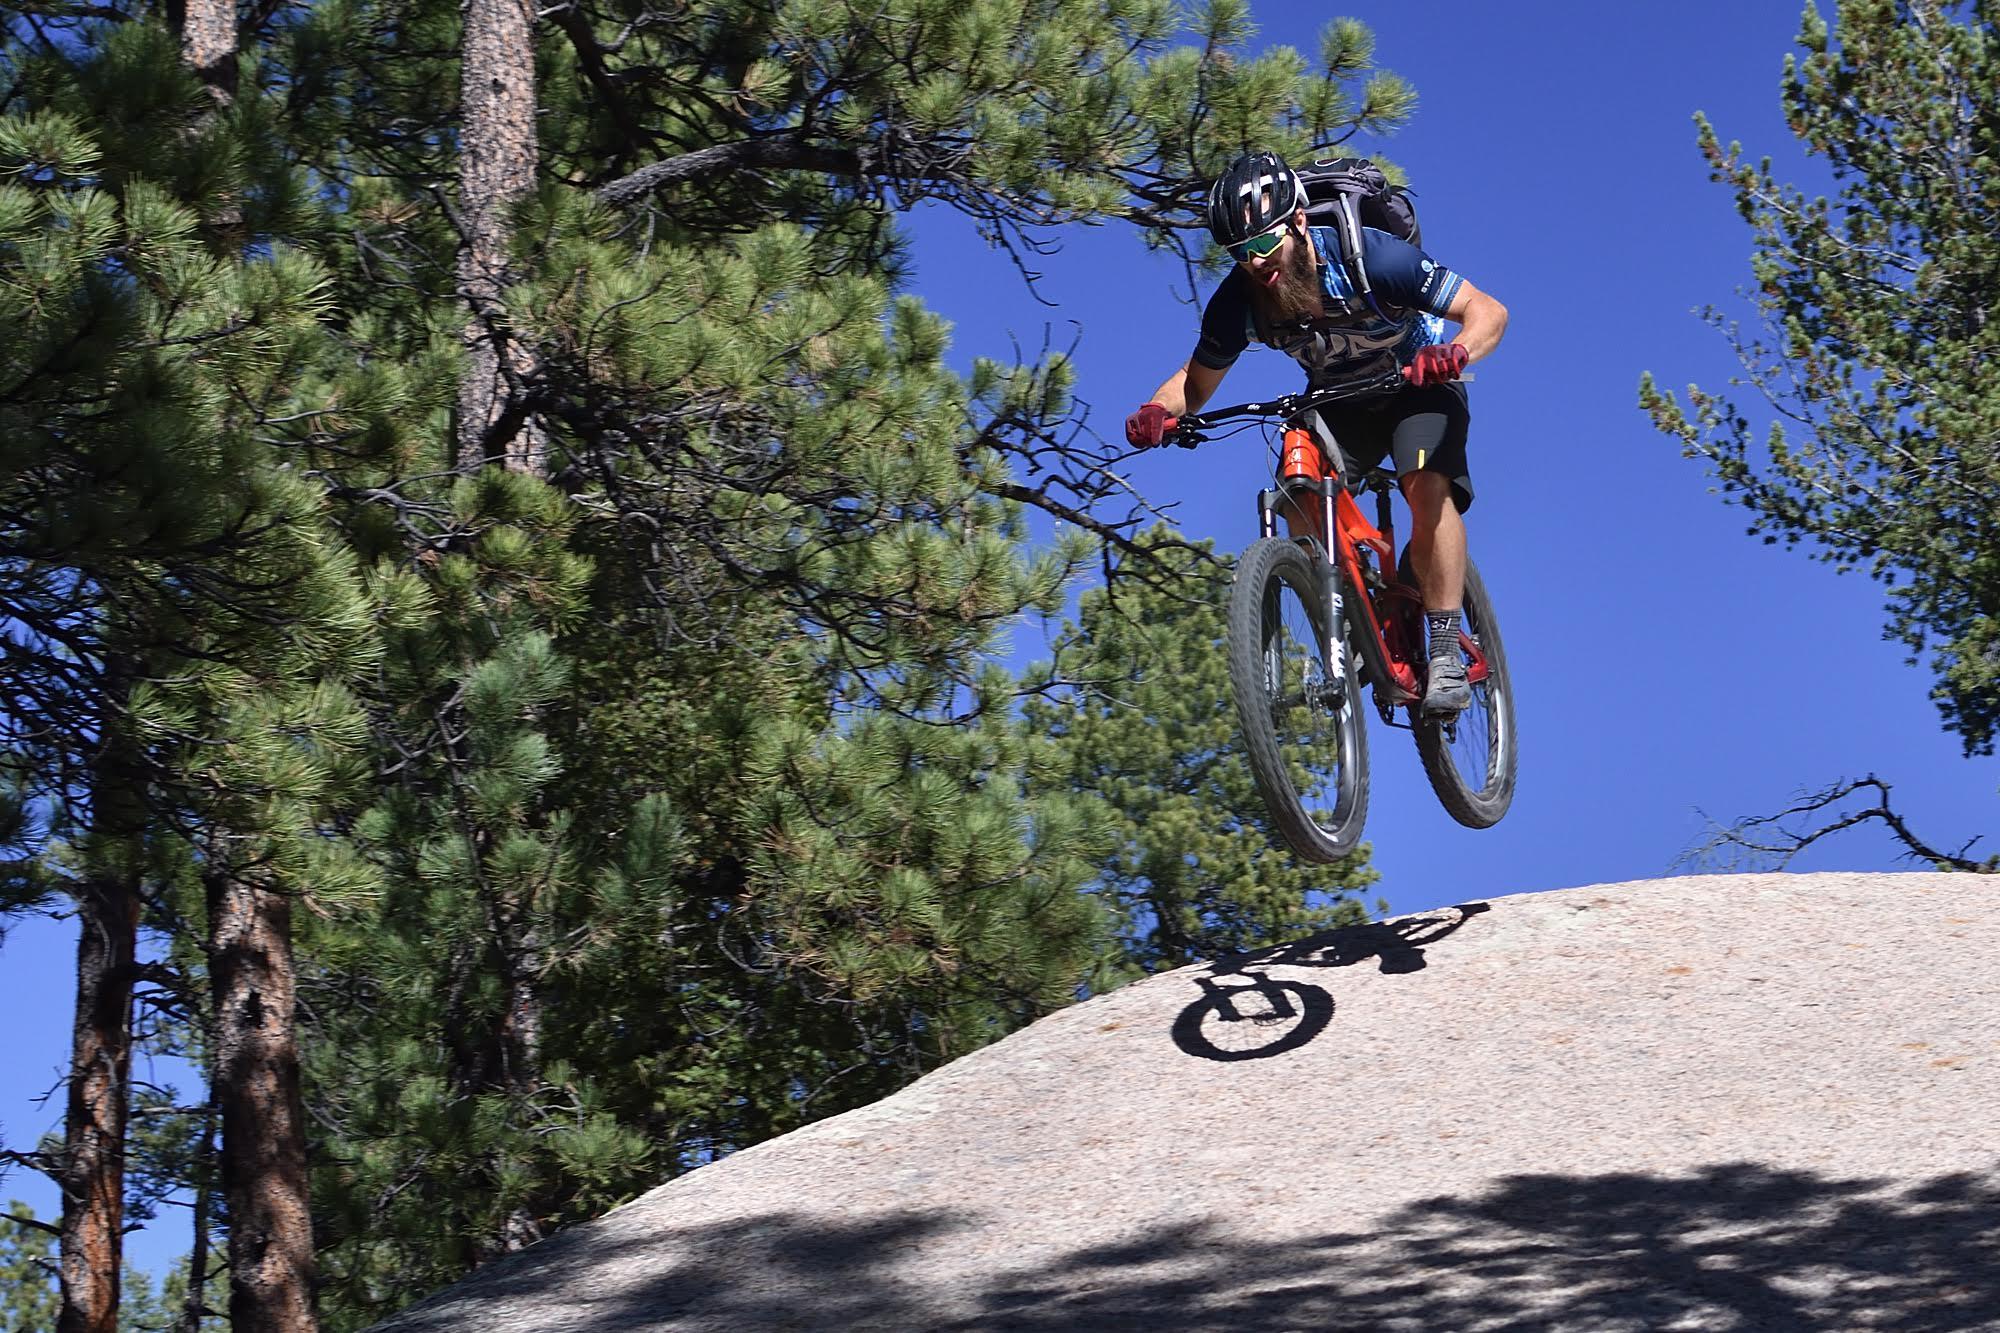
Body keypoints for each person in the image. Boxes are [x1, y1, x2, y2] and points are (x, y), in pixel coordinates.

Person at [1125, 150, 1509, 714]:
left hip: (1418, 385)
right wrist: (1158, 409)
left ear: (1299, 222)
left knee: (1426, 485)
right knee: (1296, 489)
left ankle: (1446, 648)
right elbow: (1194, 382)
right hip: (1339, 400)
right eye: (1240, 253)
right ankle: (1351, 606)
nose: (1256, 263)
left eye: (1263, 244)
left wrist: (1454, 352)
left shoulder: (1371, 259)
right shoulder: (1238, 302)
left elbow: (1487, 310)